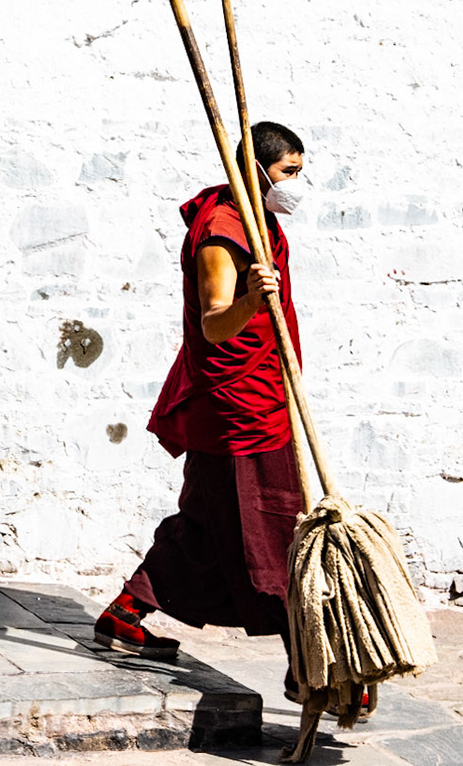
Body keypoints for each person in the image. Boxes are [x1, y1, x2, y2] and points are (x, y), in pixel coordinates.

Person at [94, 121, 308, 667]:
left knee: (208, 524)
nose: (296, 185)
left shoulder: (256, 221)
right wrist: (254, 301)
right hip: (237, 406)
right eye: (288, 172)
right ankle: (308, 662)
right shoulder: (222, 232)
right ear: (255, 170)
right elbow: (216, 324)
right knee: (272, 523)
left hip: (260, 394)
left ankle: (126, 613)